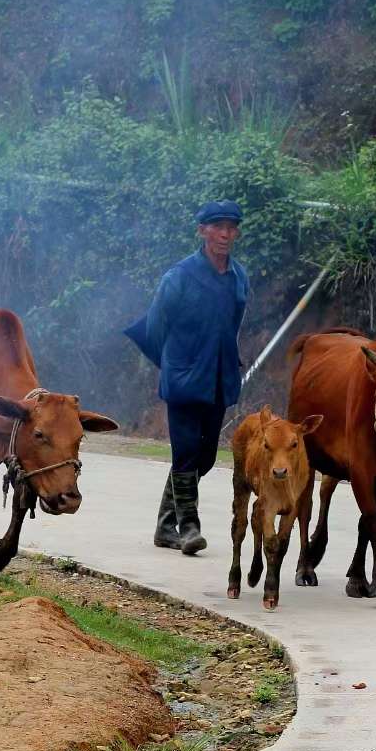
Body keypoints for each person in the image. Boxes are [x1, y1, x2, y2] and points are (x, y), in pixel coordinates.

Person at [124, 200, 249, 555]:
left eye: (230, 227)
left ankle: (165, 527)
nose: (224, 234)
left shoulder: (239, 277)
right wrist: (177, 364)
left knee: (204, 457)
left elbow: (233, 324)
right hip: (183, 379)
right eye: (217, 226)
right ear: (202, 231)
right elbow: (154, 328)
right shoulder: (178, 277)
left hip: (219, 378)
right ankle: (188, 527)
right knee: (185, 451)